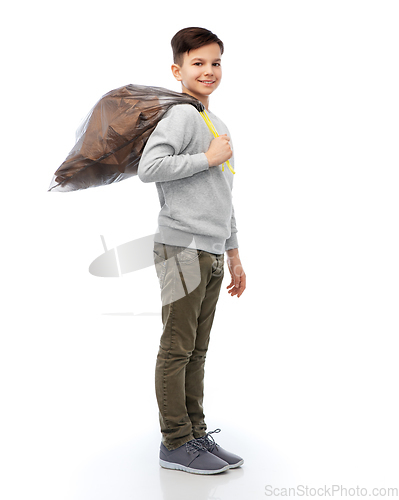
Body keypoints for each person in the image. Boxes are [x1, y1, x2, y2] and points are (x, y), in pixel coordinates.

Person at [138, 27, 246, 475]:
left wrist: (234, 253)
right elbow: (150, 168)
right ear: (177, 69)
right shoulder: (181, 116)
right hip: (181, 246)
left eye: (215, 62)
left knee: (197, 350)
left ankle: (195, 433)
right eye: (198, 62)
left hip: (212, 250)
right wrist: (207, 158)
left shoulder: (217, 124)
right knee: (177, 347)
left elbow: (224, 195)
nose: (208, 70)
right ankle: (175, 441)